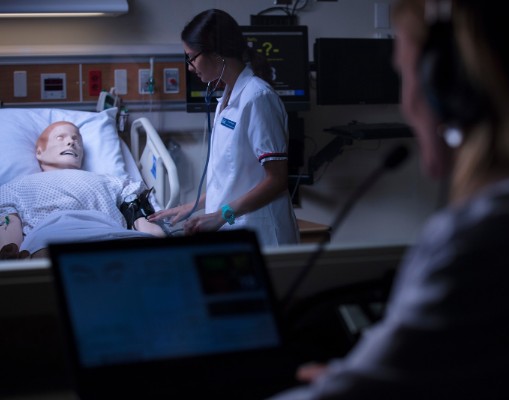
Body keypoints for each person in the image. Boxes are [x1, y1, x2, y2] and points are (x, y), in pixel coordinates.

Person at [268, 0, 509, 398]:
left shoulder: (491, 238)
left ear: (448, 90)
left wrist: (344, 381)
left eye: (404, 76)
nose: (406, 102)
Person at [147, 9, 300, 247]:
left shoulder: (257, 98)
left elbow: (277, 180)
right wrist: (192, 206)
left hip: (263, 235)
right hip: (235, 230)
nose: (189, 67)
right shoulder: (227, 99)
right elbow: (234, 179)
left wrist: (221, 215)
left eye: (192, 57)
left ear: (216, 53)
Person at [0, 121, 164, 259]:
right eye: (60, 138)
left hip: (113, 235)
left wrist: (161, 242)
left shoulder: (111, 181)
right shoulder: (18, 186)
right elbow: (9, 235)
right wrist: (10, 257)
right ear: (39, 152)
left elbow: (136, 211)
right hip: (51, 241)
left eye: (76, 139)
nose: (71, 142)